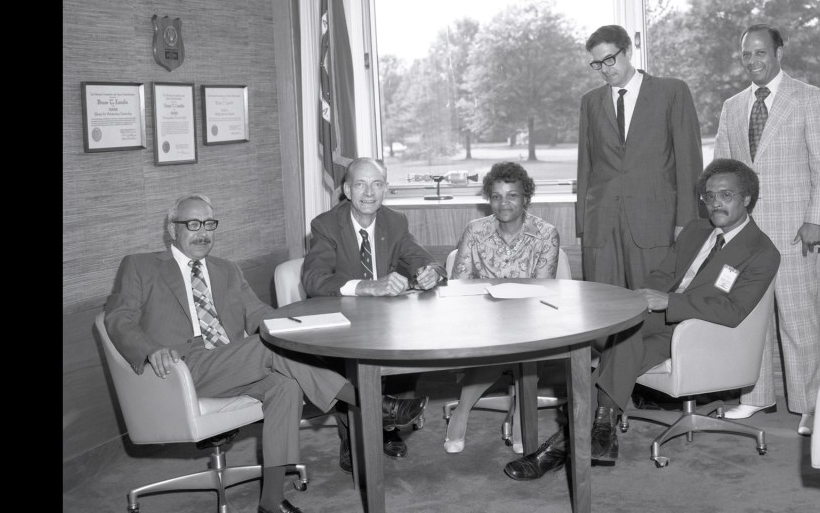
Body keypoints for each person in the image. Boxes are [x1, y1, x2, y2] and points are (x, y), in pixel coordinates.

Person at [103, 194, 427, 513]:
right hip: (180, 370)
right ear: (172, 230)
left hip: (230, 364)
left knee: (284, 385)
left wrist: (302, 327)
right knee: (268, 347)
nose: (202, 232)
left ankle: (271, 501)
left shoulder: (226, 269)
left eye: (209, 224)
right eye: (192, 224)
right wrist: (150, 350)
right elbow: (118, 318)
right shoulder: (141, 266)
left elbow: (260, 316)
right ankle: (370, 401)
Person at [503, 158, 780, 479]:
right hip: (656, 318)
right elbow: (663, 273)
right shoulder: (696, 230)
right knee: (602, 326)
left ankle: (560, 445)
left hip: (699, 332)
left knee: (619, 337)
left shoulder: (761, 251)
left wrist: (669, 302)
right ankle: (600, 432)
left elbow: (734, 311)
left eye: (726, 195)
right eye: (709, 196)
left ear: (746, 197)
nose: (715, 203)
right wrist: (643, 298)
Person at [712, 24, 820, 437]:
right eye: (746, 55)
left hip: (794, 230)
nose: (753, 62)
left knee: (798, 318)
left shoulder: (809, 98)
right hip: (746, 234)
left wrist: (816, 218)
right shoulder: (733, 106)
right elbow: (722, 170)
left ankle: (810, 405)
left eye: (760, 53)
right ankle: (755, 396)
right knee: (750, 314)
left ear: (779, 52)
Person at [301, 157, 447, 468]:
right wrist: (368, 287)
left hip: (386, 320)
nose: (369, 192)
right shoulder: (326, 225)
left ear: (386, 189)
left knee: (411, 343)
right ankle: (351, 435)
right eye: (361, 184)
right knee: (347, 360)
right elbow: (314, 280)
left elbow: (426, 261)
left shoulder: (395, 222)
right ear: (346, 189)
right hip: (342, 320)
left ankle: (388, 425)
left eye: (377, 184)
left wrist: (431, 273)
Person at [443, 161, 561, 454]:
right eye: (496, 196)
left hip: (532, 319)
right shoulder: (475, 231)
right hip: (484, 318)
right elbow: (459, 285)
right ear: (489, 199)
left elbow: (542, 290)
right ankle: (463, 410)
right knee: (498, 343)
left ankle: (523, 410)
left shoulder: (546, 234)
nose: (504, 203)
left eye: (512, 195)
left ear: (526, 198)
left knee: (526, 345)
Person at [576, 24, 703, 295]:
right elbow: (585, 166)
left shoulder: (672, 92)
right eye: (597, 64)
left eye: (610, 59)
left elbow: (689, 163)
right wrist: (584, 227)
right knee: (603, 309)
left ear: (629, 51)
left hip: (655, 224)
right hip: (602, 228)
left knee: (652, 309)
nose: (605, 69)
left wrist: (686, 223)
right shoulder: (590, 102)